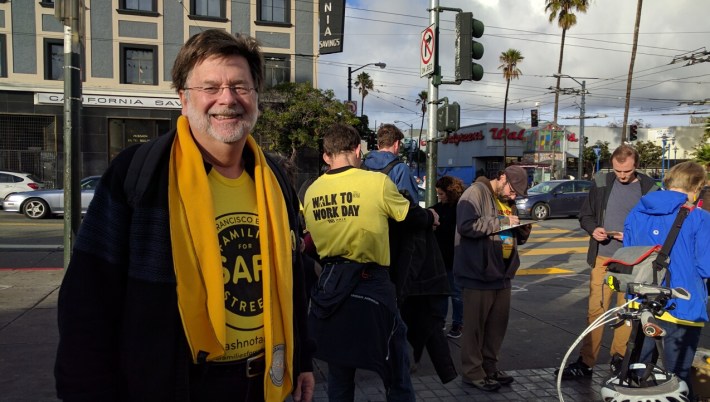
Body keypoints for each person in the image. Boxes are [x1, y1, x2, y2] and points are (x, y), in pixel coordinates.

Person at [54, 29, 315, 402]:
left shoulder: (273, 177)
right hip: (178, 384)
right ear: (183, 98)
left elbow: (293, 279)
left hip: (264, 381)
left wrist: (302, 358)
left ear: (256, 97)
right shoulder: (140, 174)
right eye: (210, 87)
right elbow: (88, 299)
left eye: (240, 87)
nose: (227, 99)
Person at [303, 123, 439, 401]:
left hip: (331, 286)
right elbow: (409, 215)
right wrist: (432, 218)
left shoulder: (312, 192)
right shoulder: (376, 183)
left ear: (327, 155)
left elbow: (313, 242)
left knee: (340, 374)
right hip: (372, 282)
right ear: (357, 150)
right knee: (395, 368)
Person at [558, 144, 659, 379]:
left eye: (626, 171)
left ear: (636, 166)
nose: (622, 176)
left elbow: (656, 228)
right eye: (617, 171)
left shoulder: (649, 189)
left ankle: (619, 359)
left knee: (626, 312)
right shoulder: (602, 183)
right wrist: (594, 230)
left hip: (633, 261)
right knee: (596, 310)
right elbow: (585, 215)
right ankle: (586, 362)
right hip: (603, 257)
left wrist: (634, 235)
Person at [623, 161, 710, 396]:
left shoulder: (637, 211)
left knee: (640, 370)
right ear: (696, 187)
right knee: (678, 377)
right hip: (683, 302)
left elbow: (629, 255)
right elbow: (706, 266)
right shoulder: (700, 217)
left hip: (645, 302)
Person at [454, 166, 531, 392]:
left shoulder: (506, 199)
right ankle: (472, 372)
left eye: (517, 194)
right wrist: (502, 222)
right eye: (513, 190)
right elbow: (466, 226)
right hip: (479, 273)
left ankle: (489, 367)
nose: (514, 196)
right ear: (502, 178)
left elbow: (508, 229)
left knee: (496, 327)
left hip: (502, 273)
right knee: (475, 328)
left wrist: (522, 230)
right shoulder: (475, 193)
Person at [432, 175, 466, 338]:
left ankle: (458, 323)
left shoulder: (459, 209)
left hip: (455, 257)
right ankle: (442, 322)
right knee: (444, 293)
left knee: (456, 293)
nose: (439, 197)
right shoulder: (439, 208)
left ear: (450, 192)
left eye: (441, 194)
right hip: (442, 257)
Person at [362, 124, 420, 203]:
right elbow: (410, 204)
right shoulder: (400, 169)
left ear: (379, 145)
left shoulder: (362, 166)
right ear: (396, 144)